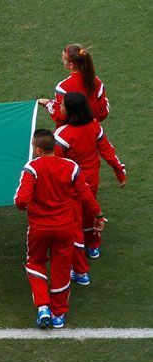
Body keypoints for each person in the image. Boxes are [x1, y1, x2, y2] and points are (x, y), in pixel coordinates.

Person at [14, 129, 104, 329]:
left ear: (38, 150)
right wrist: (98, 215)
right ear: (54, 146)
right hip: (65, 228)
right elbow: (85, 195)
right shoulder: (71, 167)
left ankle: (43, 307)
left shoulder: (32, 168)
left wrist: (29, 206)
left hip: (39, 229)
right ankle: (58, 315)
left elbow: (21, 200)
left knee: (35, 262)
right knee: (61, 268)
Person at [54, 93, 126, 282]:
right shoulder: (94, 126)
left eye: (62, 106)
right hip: (91, 182)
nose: (60, 108)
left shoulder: (63, 134)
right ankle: (93, 245)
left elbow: (55, 164)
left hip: (71, 185)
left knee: (73, 221)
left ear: (71, 111)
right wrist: (120, 172)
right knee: (89, 211)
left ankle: (77, 267)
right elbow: (108, 151)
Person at [38, 44, 110, 128]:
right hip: (93, 132)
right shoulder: (96, 81)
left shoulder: (63, 87)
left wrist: (48, 103)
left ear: (71, 65)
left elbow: (60, 115)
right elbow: (103, 110)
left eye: (63, 60)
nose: (62, 61)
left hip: (70, 137)